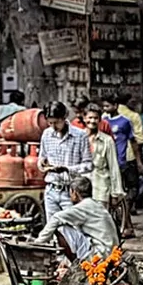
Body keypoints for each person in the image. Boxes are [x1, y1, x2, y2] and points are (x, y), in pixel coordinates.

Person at [39, 101, 94, 258]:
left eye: (56, 122)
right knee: (53, 228)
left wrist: (67, 169)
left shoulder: (80, 135)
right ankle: (59, 262)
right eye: (50, 123)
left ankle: (81, 261)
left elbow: (88, 165)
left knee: (74, 228)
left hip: (70, 192)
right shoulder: (46, 134)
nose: (53, 126)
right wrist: (42, 164)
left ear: (64, 118)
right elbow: (41, 158)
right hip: (51, 189)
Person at [36, 175, 119, 261]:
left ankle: (73, 261)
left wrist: (38, 242)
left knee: (61, 228)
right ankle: (67, 261)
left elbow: (56, 218)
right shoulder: (95, 204)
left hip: (102, 253)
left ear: (75, 193)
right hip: (110, 250)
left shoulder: (84, 206)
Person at [102, 96, 138, 237]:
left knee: (125, 194)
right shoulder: (103, 122)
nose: (106, 109)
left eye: (108, 106)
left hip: (122, 161)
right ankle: (125, 225)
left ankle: (127, 224)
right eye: (104, 106)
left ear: (116, 105)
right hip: (108, 163)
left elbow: (133, 140)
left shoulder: (125, 121)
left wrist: (138, 160)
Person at [83, 103, 124, 210]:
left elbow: (113, 167)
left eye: (95, 118)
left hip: (100, 189)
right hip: (82, 188)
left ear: (100, 120)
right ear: (84, 118)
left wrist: (116, 192)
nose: (92, 121)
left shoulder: (107, 140)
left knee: (100, 221)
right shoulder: (79, 138)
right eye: (90, 118)